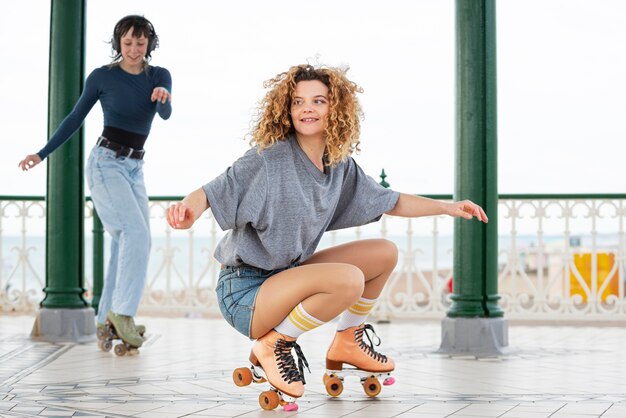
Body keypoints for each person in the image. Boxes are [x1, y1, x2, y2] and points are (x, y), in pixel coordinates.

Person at [166, 64, 487, 402]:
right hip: (246, 292)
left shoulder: (339, 165)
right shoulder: (268, 159)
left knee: (384, 253)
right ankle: (275, 342)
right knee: (348, 279)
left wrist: (448, 207)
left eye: (318, 101)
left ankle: (348, 339)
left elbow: (390, 201)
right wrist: (187, 211)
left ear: (335, 109)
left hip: (286, 277)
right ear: (286, 110)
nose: (307, 108)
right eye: (298, 101)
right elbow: (213, 191)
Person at [19, 15, 172, 350]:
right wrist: (42, 154)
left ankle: (106, 319)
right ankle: (123, 312)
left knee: (127, 240)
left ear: (150, 44)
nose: (133, 49)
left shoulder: (159, 76)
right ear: (118, 42)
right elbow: (75, 117)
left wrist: (163, 96)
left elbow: (165, 114)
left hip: (135, 168)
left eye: (140, 42)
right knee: (135, 234)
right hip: (106, 164)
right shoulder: (103, 77)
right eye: (127, 42)